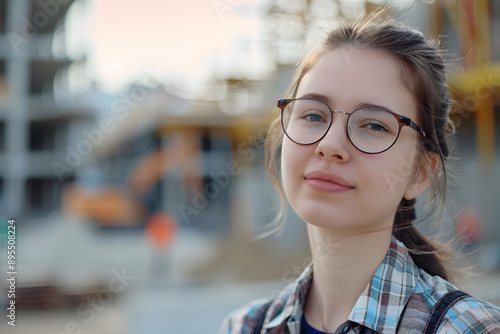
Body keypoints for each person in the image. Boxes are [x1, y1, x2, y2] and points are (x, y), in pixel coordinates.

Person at [218, 12, 500, 334]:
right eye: (313, 115)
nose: (330, 144)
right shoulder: (244, 327)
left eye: (374, 124)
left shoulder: (467, 328)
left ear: (420, 172)